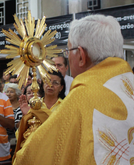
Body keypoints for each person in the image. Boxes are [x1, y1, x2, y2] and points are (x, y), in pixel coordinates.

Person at [13, 14, 134, 165]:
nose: (68, 56)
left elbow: (33, 156)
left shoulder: (82, 97)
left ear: (81, 56)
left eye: (68, 51)